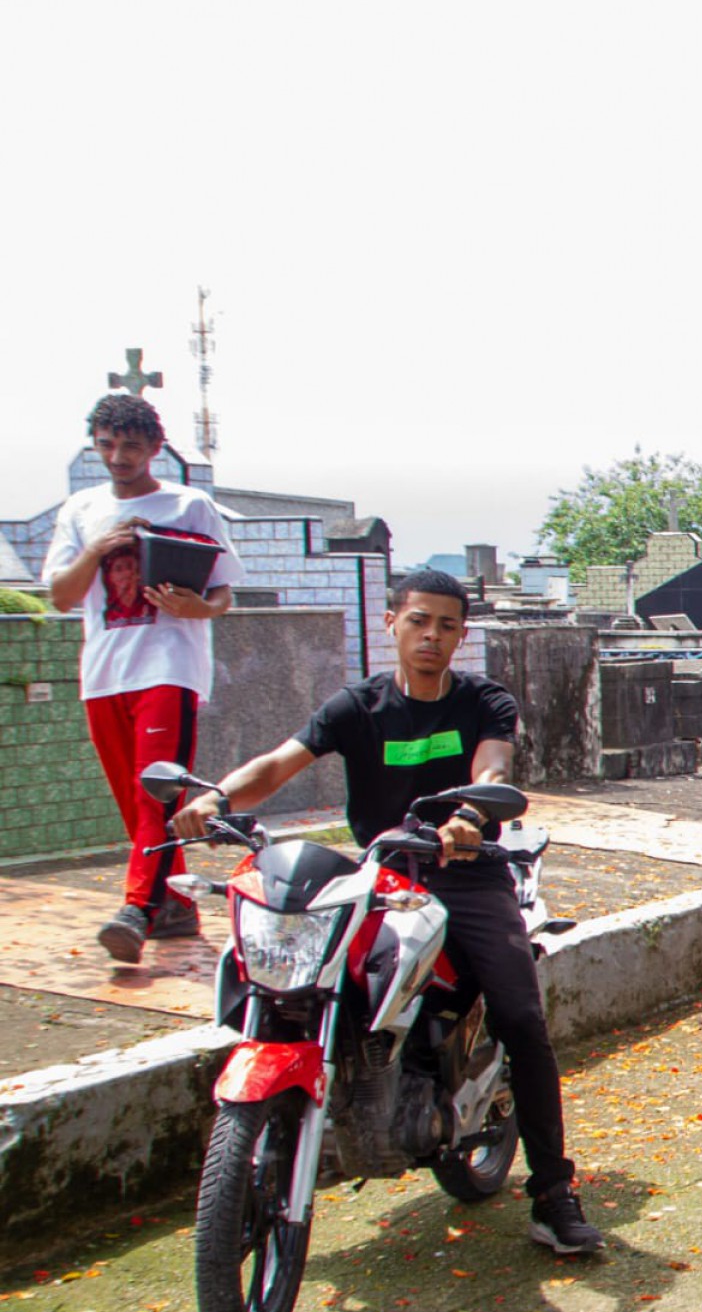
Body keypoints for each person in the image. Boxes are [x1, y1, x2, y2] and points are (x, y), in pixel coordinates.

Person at [169, 568, 604, 1252]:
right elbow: (278, 763)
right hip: (379, 874)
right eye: (418, 621)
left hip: (467, 873)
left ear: (461, 635)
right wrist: (216, 799)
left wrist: (468, 815)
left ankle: (552, 1192)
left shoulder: (483, 701)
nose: (431, 636)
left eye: (447, 626)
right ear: (391, 623)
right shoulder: (357, 707)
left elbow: (492, 769)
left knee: (521, 1016)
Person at [42, 394, 243, 963]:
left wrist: (195, 608)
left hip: (168, 667)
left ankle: (136, 908)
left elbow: (224, 592)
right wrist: (101, 547)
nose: (119, 456)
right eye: (107, 444)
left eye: (131, 445)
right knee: (134, 805)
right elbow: (60, 596)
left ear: (155, 448)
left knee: (153, 793)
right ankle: (176, 907)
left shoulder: (189, 504)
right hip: (104, 672)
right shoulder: (80, 509)